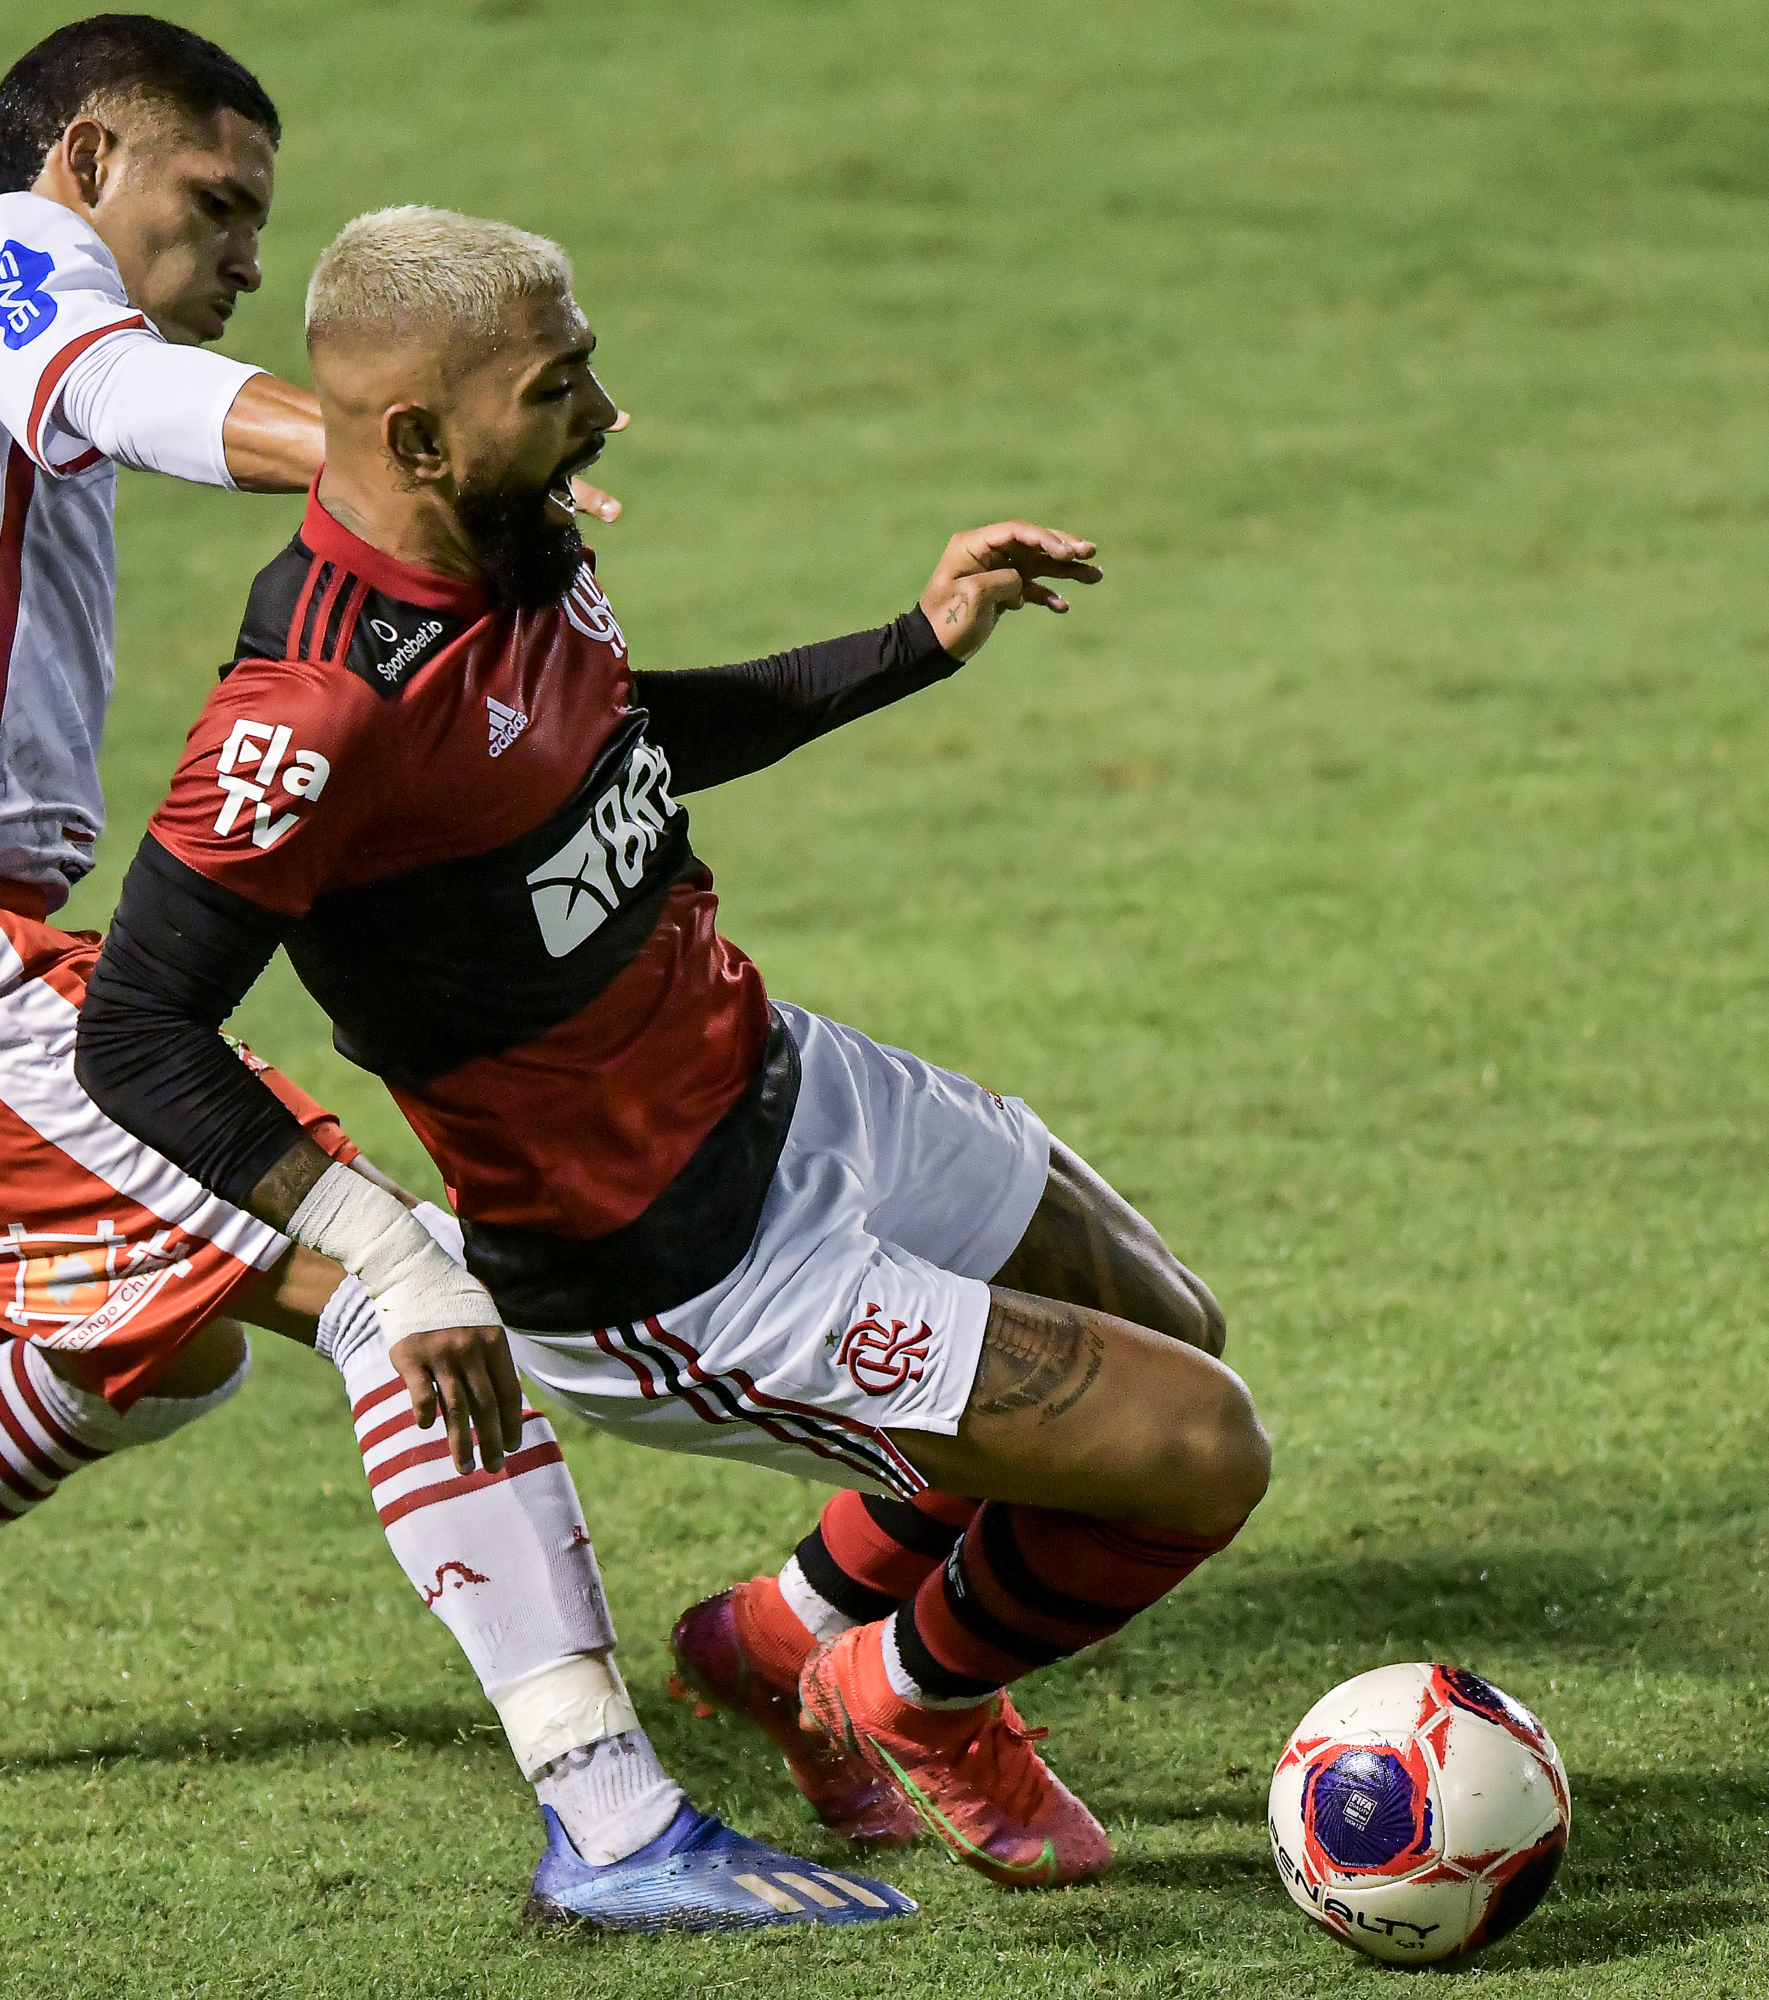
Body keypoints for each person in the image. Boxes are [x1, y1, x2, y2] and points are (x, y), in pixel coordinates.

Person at [0, 19, 907, 1932]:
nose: (251, 253)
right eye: (219, 200)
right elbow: (120, 385)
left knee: (147, 1354)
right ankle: (615, 1828)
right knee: (399, 1286)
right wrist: (382, 468)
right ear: (86, 159)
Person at [73, 205, 1269, 1892]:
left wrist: (910, 644)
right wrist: (387, 1262)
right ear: (416, 435)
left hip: (779, 1081)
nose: (607, 410)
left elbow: (619, 735)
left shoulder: (520, 545)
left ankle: (778, 1642)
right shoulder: (313, 713)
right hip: (674, 1266)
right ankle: (911, 1698)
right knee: (1197, 1453)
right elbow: (134, 1029)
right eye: (561, 383)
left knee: (1171, 1327)